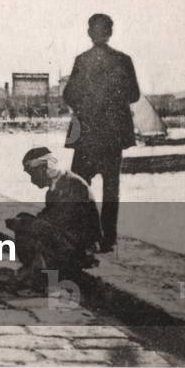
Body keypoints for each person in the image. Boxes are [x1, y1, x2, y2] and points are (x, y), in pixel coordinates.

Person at [62, 13, 140, 253]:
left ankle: (85, 234)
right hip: (113, 134)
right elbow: (134, 95)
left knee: (79, 184)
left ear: (89, 33)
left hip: (86, 133)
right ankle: (109, 239)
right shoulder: (123, 60)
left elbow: (69, 95)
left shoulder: (82, 60)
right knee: (111, 187)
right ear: (110, 32)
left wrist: (86, 108)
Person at [6, 147, 101, 283]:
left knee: (28, 225)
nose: (32, 179)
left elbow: (57, 223)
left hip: (80, 246)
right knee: (24, 219)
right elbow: (50, 216)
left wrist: (23, 224)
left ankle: (42, 273)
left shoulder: (72, 185)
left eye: (32, 173)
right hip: (69, 237)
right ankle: (34, 267)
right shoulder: (57, 186)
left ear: (43, 168)